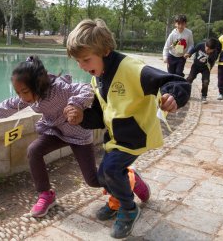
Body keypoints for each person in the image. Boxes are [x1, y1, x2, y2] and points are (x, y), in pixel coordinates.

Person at [0, 56, 150, 218]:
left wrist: (75, 104)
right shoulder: (29, 97)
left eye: (24, 92)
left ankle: (129, 177)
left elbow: (87, 89)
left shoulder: (59, 89)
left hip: (78, 134)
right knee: (34, 150)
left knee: (94, 180)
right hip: (55, 131)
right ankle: (46, 195)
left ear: (38, 85)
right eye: (18, 92)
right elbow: (11, 104)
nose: (21, 97)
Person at [65, 19, 191, 239]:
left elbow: (175, 81)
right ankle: (126, 188)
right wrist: (82, 117)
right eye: (78, 61)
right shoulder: (98, 77)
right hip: (115, 137)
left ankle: (129, 210)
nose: (82, 66)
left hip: (136, 136)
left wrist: (173, 95)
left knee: (112, 171)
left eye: (85, 59)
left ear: (105, 50)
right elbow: (100, 114)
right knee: (103, 176)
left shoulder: (132, 69)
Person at [184, 38, 221, 104]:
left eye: (210, 49)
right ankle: (185, 92)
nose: (207, 50)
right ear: (205, 44)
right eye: (207, 47)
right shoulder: (200, 45)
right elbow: (193, 50)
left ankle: (204, 96)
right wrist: (189, 54)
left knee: (206, 82)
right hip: (196, 66)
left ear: (213, 49)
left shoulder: (215, 53)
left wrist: (210, 56)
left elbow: (212, 62)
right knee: (190, 78)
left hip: (206, 68)